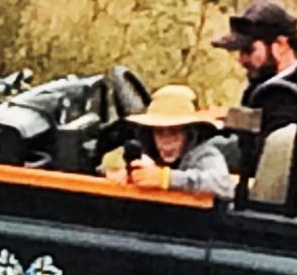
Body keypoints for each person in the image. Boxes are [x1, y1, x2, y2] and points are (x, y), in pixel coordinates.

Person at [211, 0, 297, 173]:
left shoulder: (289, 101)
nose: (241, 60)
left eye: (249, 50)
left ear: (280, 46)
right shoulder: (270, 87)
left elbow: (257, 161)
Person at [100, 84, 233, 199]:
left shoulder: (204, 154)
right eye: (159, 133)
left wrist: (165, 178)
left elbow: (223, 184)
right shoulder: (145, 154)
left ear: (189, 133)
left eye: (174, 132)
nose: (167, 142)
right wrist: (127, 176)